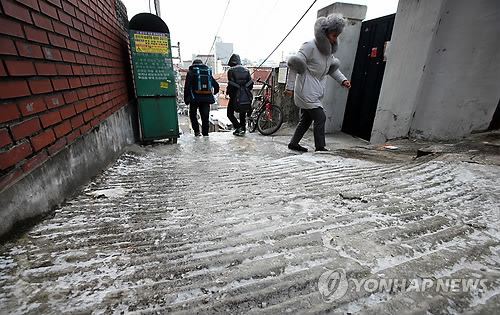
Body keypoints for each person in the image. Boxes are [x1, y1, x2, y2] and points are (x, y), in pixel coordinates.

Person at [284, 14, 351, 152]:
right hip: (305, 89)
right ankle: (320, 147)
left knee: (306, 119)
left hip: (316, 90)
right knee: (320, 117)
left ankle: (293, 143)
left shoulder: (328, 53)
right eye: (333, 35)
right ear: (324, 33)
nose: (334, 39)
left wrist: (343, 80)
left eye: (336, 36)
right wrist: (289, 87)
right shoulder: (309, 46)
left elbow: (332, 69)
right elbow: (294, 65)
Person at [184, 59, 219, 136]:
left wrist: (186, 99)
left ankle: (197, 132)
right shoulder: (207, 72)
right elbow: (216, 85)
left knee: (193, 115)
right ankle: (205, 134)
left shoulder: (191, 72)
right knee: (205, 117)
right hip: (206, 98)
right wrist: (213, 93)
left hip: (194, 98)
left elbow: (187, 87)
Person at [227, 54, 253, 136]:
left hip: (235, 95)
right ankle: (243, 128)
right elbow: (251, 84)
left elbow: (231, 84)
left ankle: (238, 127)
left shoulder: (231, 70)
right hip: (245, 95)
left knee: (229, 113)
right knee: (243, 112)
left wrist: (228, 92)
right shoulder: (246, 70)